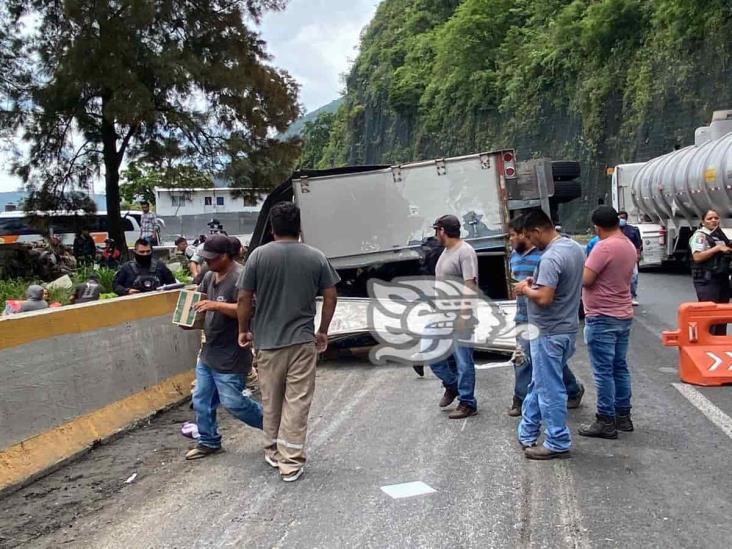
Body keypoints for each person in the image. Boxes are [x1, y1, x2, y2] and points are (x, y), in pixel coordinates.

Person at [237, 202, 339, 482]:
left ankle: (272, 451)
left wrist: (243, 330)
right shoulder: (315, 257)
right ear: (300, 228)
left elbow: (244, 297)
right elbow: (331, 295)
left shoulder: (257, 257)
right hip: (302, 341)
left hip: (268, 343)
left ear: (271, 229)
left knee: (271, 399)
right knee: (297, 401)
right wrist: (323, 330)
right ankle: (291, 462)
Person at [513, 209, 585, 460]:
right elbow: (559, 285)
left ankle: (557, 440)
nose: (531, 244)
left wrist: (525, 289)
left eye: (531, 238)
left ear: (537, 231)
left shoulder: (551, 257)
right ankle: (527, 432)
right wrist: (536, 283)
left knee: (549, 389)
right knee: (539, 383)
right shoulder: (574, 247)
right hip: (565, 328)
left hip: (549, 332)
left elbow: (544, 297)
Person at [184, 234, 264, 460]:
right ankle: (208, 440)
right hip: (209, 349)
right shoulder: (209, 276)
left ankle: (273, 425)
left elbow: (248, 309)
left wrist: (216, 306)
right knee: (201, 397)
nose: (208, 263)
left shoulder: (241, 276)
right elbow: (199, 297)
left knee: (233, 402)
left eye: (213, 258)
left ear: (227, 256)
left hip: (231, 351)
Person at [579, 206, 637, 439]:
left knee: (603, 372)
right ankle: (623, 416)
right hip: (623, 313)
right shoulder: (628, 245)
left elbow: (586, 278)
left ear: (597, 226)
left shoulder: (603, 247)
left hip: (602, 315)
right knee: (619, 368)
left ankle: (605, 420)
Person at [428, 214, 480, 420]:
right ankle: (453, 386)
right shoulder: (446, 252)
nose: (435, 235)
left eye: (436, 230)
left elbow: (470, 284)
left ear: (443, 230)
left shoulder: (465, 252)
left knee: (463, 360)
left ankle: (468, 402)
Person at [507, 215, 542, 417]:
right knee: (521, 358)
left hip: (540, 316)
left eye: (513, 235)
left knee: (549, 361)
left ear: (523, 234)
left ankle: (572, 389)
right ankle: (519, 399)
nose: (510, 240)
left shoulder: (542, 255)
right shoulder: (514, 256)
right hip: (522, 317)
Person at [689, 208, 732, 335]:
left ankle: (719, 344)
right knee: (710, 313)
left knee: (721, 315)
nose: (714, 220)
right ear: (703, 221)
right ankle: (707, 344)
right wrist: (718, 248)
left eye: (716, 218)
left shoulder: (719, 234)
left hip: (721, 278)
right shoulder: (700, 236)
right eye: (710, 218)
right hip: (707, 280)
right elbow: (697, 257)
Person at [618, 211, 642, 306]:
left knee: (633, 277)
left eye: (623, 217)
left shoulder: (633, 230)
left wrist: (638, 254)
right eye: (619, 218)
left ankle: (632, 296)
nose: (621, 220)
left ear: (626, 219)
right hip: (618, 257)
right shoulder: (614, 230)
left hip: (631, 257)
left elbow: (638, 244)